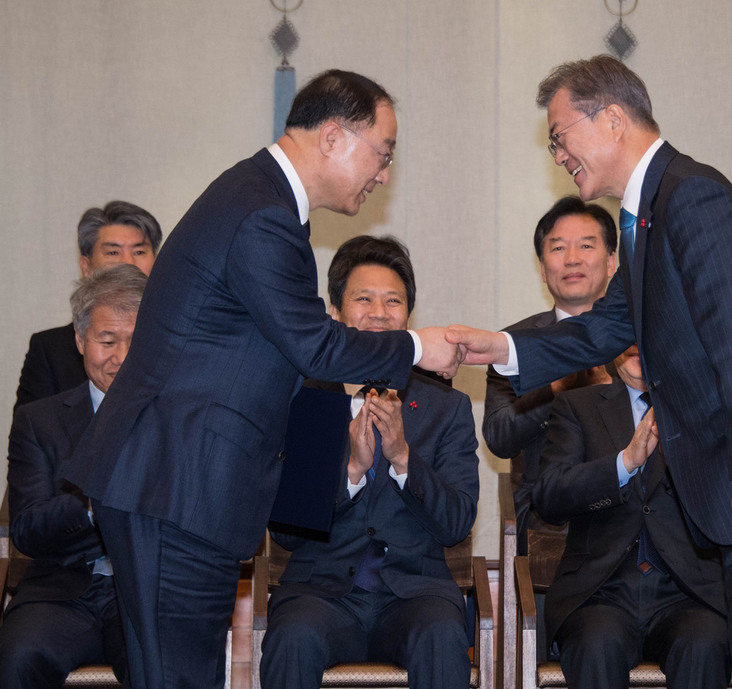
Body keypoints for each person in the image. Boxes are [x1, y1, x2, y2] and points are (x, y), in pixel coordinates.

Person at [447, 54, 732, 688]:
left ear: (612, 119)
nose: (557, 153)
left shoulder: (692, 196)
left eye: (560, 136)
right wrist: (500, 349)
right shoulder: (643, 214)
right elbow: (606, 327)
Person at [62, 69, 461, 689]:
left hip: (182, 485)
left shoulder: (260, 201)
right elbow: (316, 346)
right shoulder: (262, 215)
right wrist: (416, 345)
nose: (383, 173)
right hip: (178, 483)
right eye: (382, 154)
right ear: (333, 137)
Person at [260, 235, 479, 689]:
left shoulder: (446, 406)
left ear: (408, 316)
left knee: (442, 635)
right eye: (364, 299)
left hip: (415, 596)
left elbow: (457, 521)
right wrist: (351, 474)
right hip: (321, 595)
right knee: (292, 637)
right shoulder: (308, 399)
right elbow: (284, 531)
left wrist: (401, 457)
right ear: (336, 312)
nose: (379, 313)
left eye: (393, 301)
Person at [534, 344, 730, 689]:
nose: (639, 345)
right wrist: (624, 463)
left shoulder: (706, 408)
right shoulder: (578, 406)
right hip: (600, 592)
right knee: (596, 643)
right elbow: (550, 496)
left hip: (686, 592)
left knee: (704, 642)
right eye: (628, 335)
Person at [0, 264, 148, 688]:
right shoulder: (39, 422)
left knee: (158, 661)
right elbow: (28, 528)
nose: (121, 357)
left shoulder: (177, 419)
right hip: (61, 591)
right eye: (106, 341)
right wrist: (91, 501)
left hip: (145, 591)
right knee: (20, 656)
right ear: (81, 341)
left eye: (135, 342)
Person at [483, 195, 617, 553]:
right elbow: (499, 435)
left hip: (631, 496)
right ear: (542, 268)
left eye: (586, 245)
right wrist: (556, 388)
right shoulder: (513, 344)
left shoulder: (643, 337)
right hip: (550, 511)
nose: (572, 259)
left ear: (612, 261)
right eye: (558, 248)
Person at [13, 201, 161, 411]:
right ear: (86, 266)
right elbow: (34, 434)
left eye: (139, 252)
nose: (128, 262)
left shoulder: (181, 340)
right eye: (112, 252)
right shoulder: (50, 350)